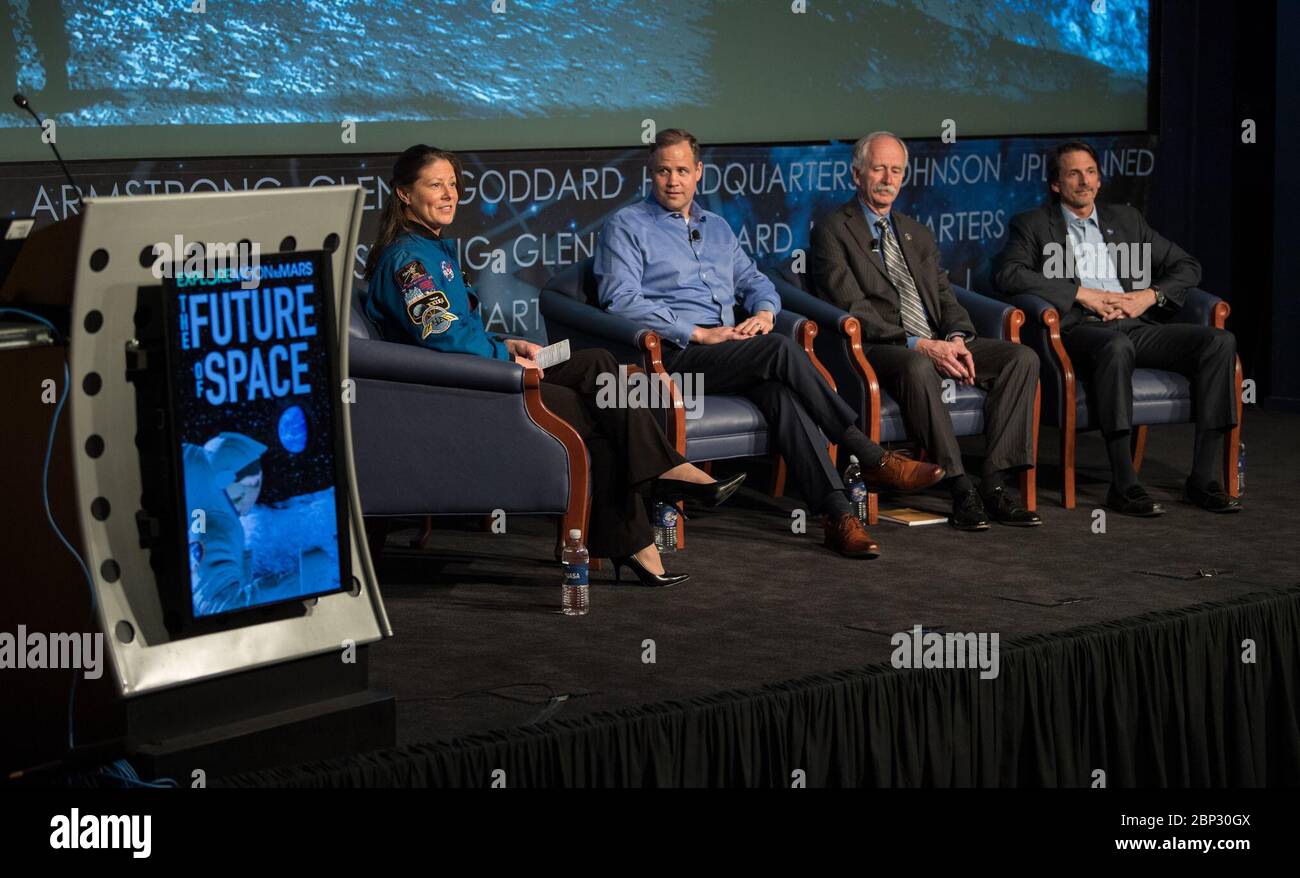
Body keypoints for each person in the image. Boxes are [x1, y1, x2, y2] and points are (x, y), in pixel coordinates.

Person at [363, 145, 741, 587]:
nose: (450, 194)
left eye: (453, 184)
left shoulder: (431, 247)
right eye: (435, 185)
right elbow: (442, 334)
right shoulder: (409, 259)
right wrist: (505, 356)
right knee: (595, 411)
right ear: (404, 195)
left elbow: (454, 330)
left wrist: (507, 342)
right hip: (460, 396)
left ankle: (654, 500)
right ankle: (657, 494)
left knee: (599, 366)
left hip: (482, 372)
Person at [594, 128, 945, 559]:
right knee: (779, 349)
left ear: (698, 173)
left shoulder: (717, 228)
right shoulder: (626, 225)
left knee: (782, 395)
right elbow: (620, 300)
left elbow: (756, 281)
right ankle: (867, 452)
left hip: (727, 351)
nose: (673, 181)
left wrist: (762, 312)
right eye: (663, 171)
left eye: (682, 170)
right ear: (650, 174)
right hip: (673, 356)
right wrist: (698, 332)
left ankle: (838, 516)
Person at [994, 139, 1240, 516]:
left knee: (1219, 342)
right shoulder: (1032, 224)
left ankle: (1202, 480)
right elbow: (1008, 274)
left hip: (1136, 324)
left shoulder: (1126, 220)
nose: (1084, 181)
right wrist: (1081, 293)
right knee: (1116, 347)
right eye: (1073, 173)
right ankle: (1124, 483)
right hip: (1082, 330)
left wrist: (1150, 295)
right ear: (1056, 183)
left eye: (1090, 172)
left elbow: (1187, 266)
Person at [811, 132, 1041, 531]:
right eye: (878, 168)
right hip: (878, 347)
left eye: (895, 170)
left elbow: (944, 296)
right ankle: (959, 486)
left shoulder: (916, 232)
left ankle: (994, 483)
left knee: (1021, 358)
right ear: (856, 174)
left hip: (936, 340)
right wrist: (921, 345)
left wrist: (954, 339)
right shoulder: (832, 230)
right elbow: (852, 307)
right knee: (918, 367)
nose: (887, 178)